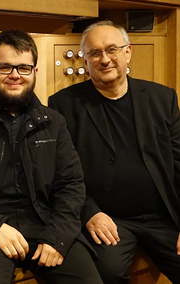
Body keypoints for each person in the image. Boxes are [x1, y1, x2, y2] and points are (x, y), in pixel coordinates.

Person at [0, 29, 103, 284]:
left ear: (34, 72)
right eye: (5, 67)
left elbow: (72, 184)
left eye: (24, 67)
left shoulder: (54, 122)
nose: (15, 75)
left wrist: (58, 236)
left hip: (45, 223)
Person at [49, 20, 180, 284]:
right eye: (95, 53)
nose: (105, 59)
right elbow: (62, 174)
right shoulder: (64, 105)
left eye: (112, 50)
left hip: (162, 215)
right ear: (85, 60)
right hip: (109, 219)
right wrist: (90, 213)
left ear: (128, 52)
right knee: (107, 273)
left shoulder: (162, 99)